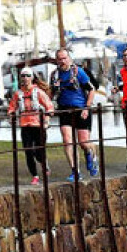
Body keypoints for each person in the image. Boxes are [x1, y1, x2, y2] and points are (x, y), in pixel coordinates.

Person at [51, 48, 98, 181]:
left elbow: (91, 89)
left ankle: (91, 155)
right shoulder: (55, 75)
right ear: (56, 60)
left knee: (84, 143)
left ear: (69, 58)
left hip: (80, 109)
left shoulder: (78, 72)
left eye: (65, 58)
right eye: (59, 59)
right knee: (67, 140)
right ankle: (75, 171)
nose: (62, 61)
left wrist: (86, 108)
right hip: (64, 109)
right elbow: (51, 93)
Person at [8, 67, 54, 185]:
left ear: (32, 77)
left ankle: (44, 164)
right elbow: (12, 107)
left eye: (28, 76)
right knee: (28, 151)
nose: (25, 78)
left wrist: (47, 121)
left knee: (39, 152)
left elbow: (49, 107)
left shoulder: (39, 92)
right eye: (23, 76)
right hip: (25, 125)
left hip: (38, 125)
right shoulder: (18, 94)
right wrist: (11, 115)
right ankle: (35, 175)